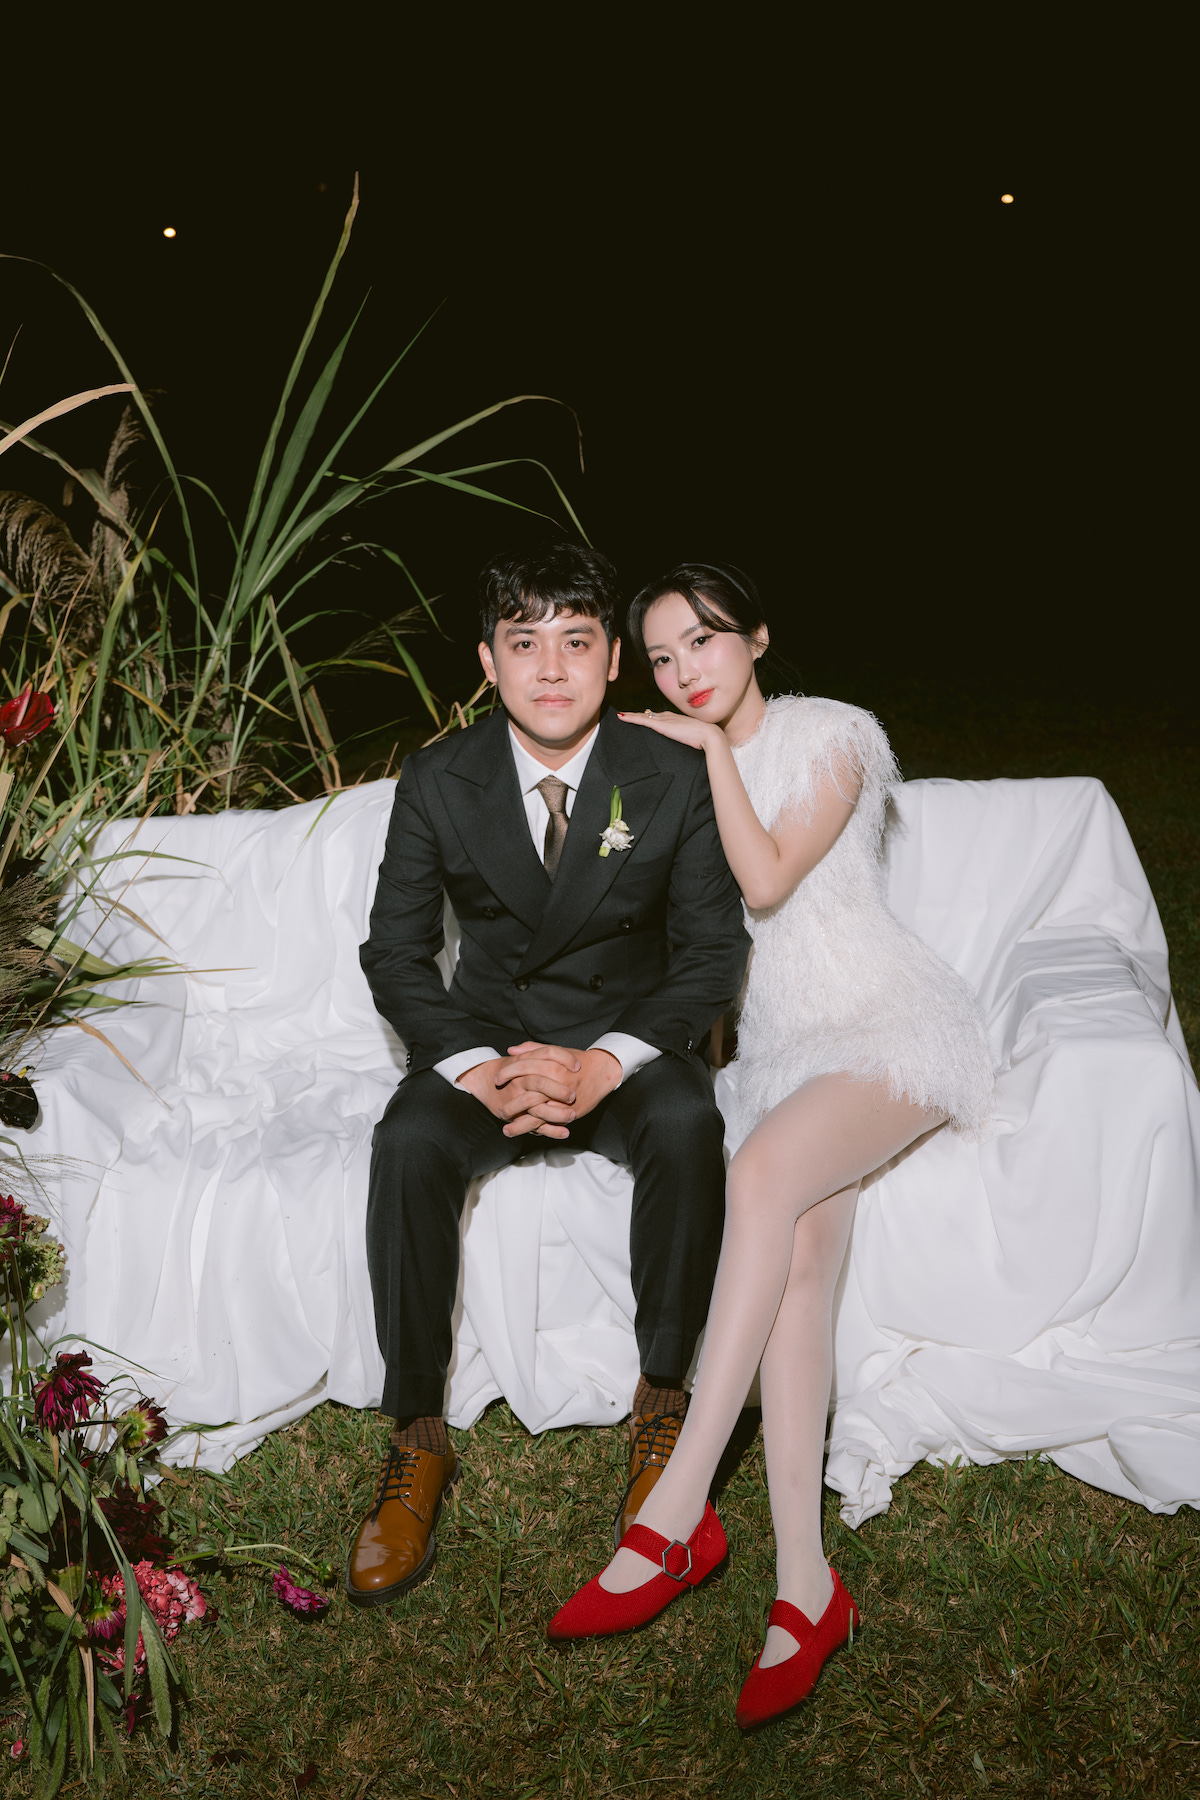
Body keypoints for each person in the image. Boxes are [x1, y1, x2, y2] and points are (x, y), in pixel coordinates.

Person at [547, 563, 994, 1729]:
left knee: (757, 1174)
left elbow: (771, 875)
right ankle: (808, 1586)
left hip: (893, 1027)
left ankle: (677, 1506)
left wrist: (702, 761)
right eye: (661, 657)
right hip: (790, 1055)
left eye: (702, 641)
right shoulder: (679, 770)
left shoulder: (835, 734)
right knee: (796, 1261)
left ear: (755, 637)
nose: (685, 669)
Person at [348, 543, 750, 1608]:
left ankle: (663, 1405)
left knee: (687, 1127)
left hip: (625, 1035)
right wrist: (480, 1068)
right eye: (525, 645)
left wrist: (609, 1060)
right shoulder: (442, 776)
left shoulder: (667, 774)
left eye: (576, 641)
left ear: (613, 659)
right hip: (491, 1035)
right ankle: (417, 1434)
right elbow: (394, 953)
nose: (553, 669)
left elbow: (712, 955)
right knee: (408, 1140)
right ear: (488, 662)